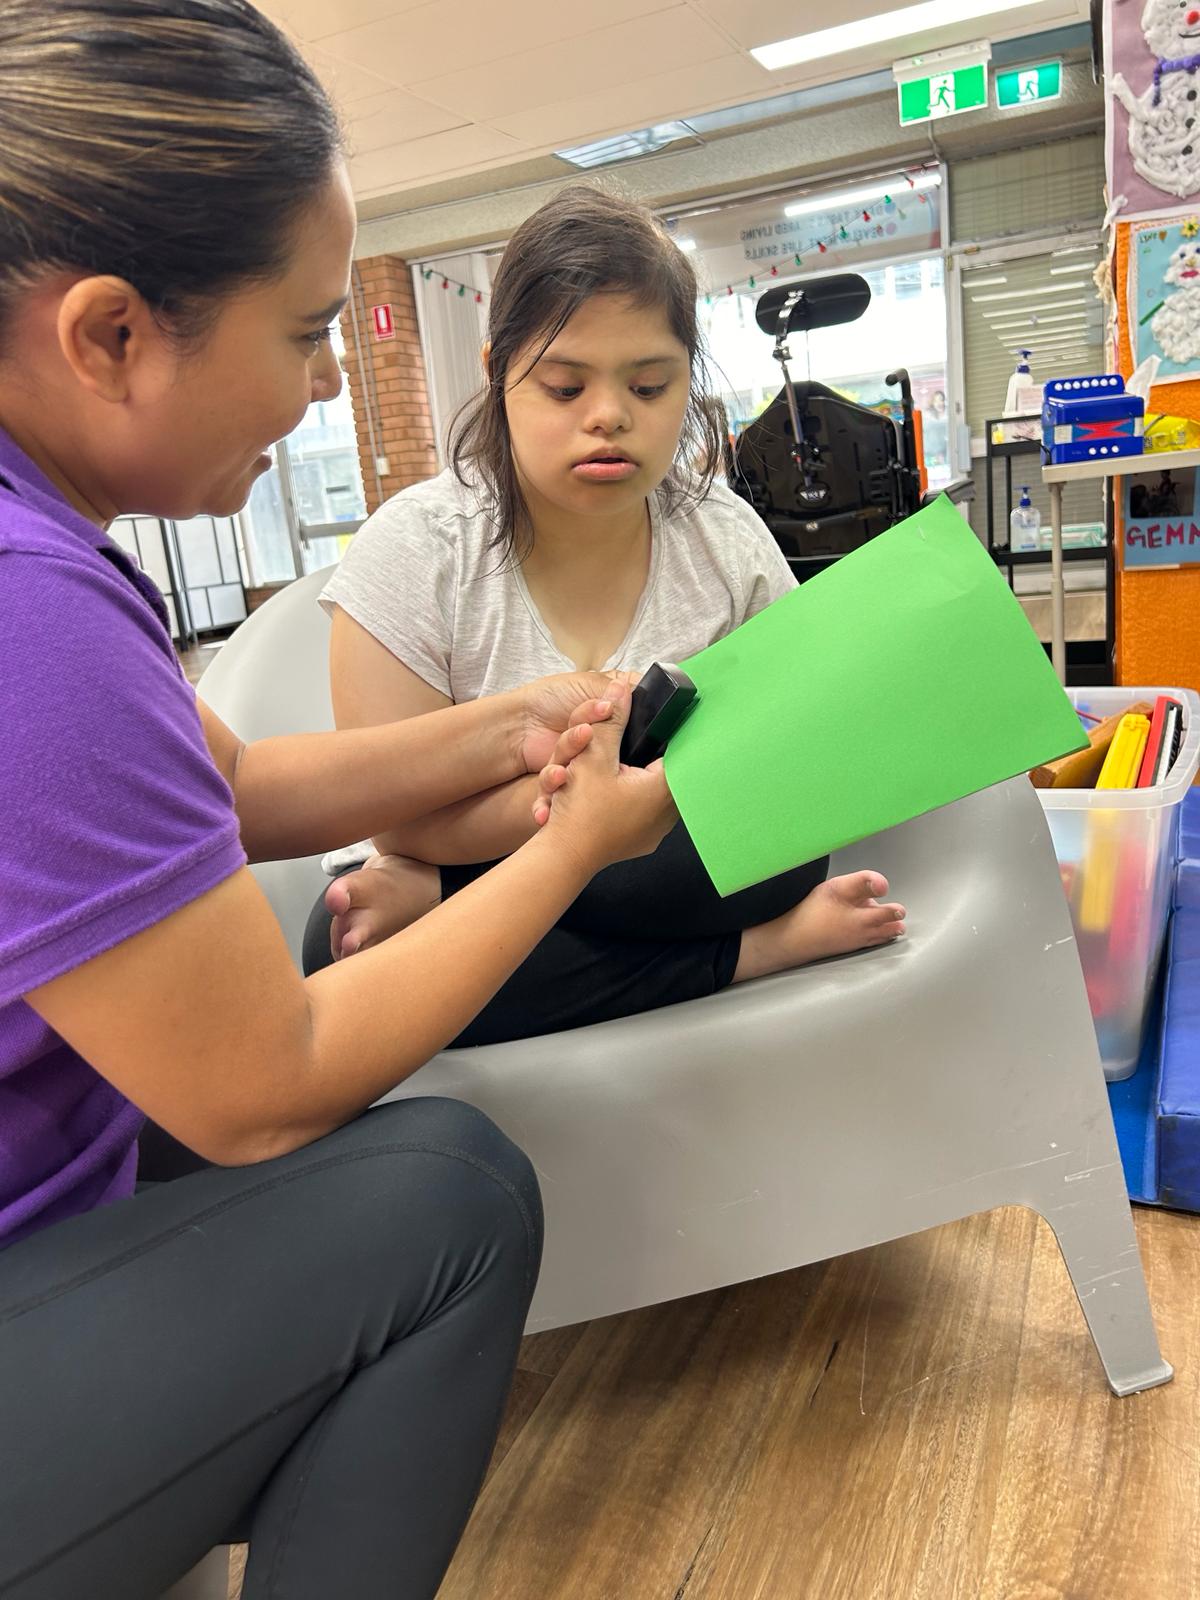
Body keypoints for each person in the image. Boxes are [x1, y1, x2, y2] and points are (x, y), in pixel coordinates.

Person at [0, 5, 676, 1597]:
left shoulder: (51, 558)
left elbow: (230, 788)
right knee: (449, 1195)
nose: (322, 385)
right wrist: (574, 842)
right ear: (111, 336)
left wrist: (511, 722)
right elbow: (263, 1086)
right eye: (306, 332)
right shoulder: (33, 611)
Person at [305, 187, 906, 1043]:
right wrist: (580, 822)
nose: (609, 417)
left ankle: (448, 900)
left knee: (775, 854)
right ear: (498, 374)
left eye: (650, 385)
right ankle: (749, 954)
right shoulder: (413, 552)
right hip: (482, 862)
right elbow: (398, 820)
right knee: (340, 952)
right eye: (564, 387)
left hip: (643, 866)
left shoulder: (725, 537)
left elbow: (786, 764)